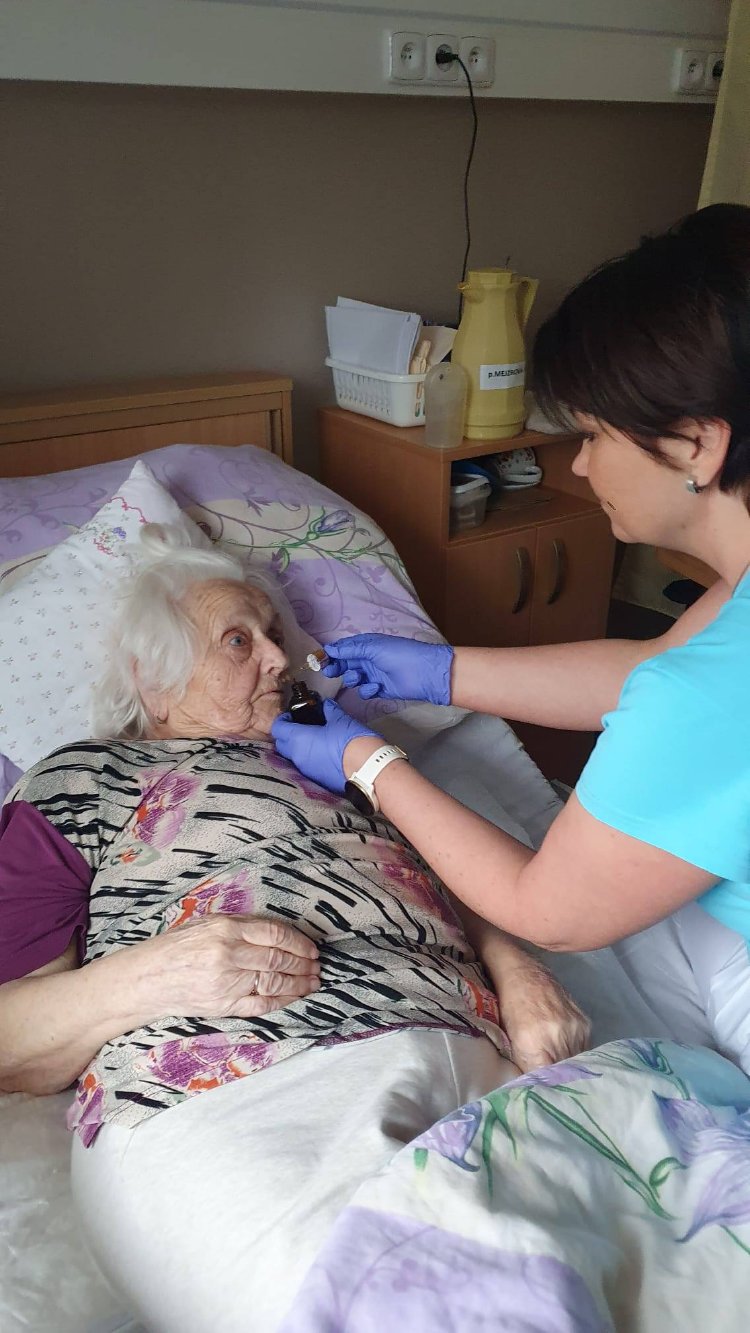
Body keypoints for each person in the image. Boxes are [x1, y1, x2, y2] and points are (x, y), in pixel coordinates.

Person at [0, 522, 587, 1333]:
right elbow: (10, 1039)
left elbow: (458, 877)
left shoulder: (344, 762)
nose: (281, 659)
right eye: (239, 639)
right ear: (153, 680)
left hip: (469, 1052)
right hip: (241, 1088)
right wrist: (158, 974)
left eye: (276, 634)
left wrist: (517, 971)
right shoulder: (82, 777)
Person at [273, 203, 750, 1076]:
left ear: (696, 443)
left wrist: (367, 763)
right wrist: (442, 672)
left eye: (594, 435)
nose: (579, 464)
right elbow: (650, 668)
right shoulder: (733, 605)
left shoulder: (719, 692)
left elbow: (546, 909)